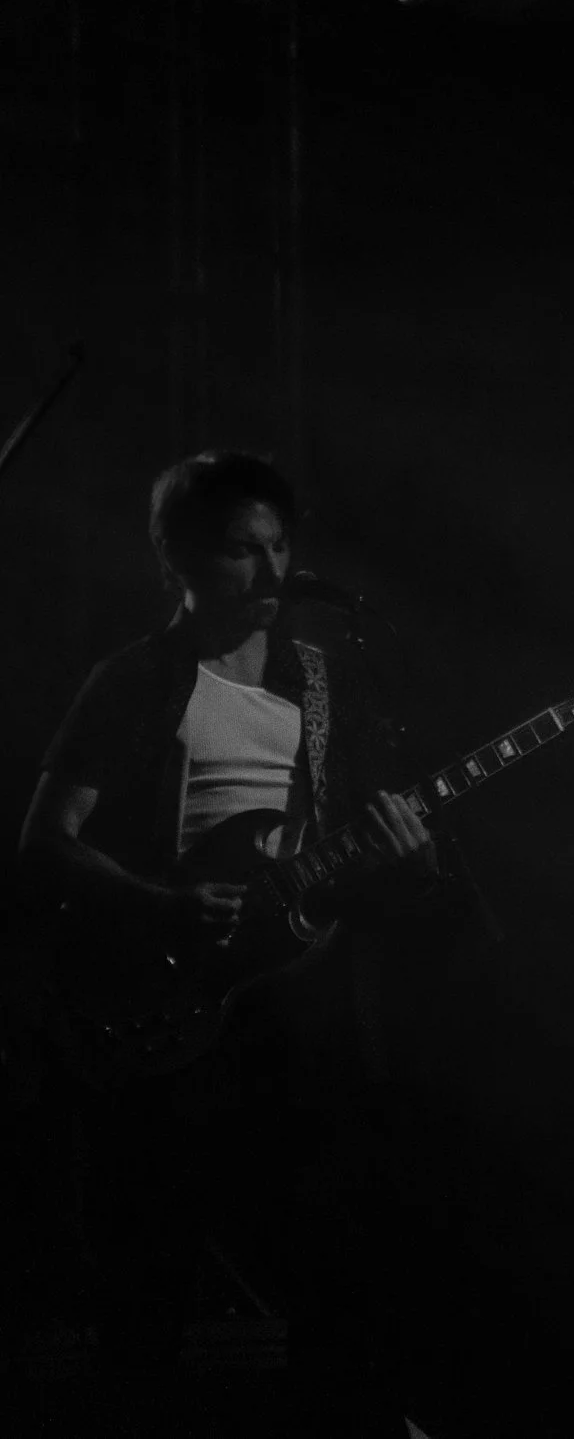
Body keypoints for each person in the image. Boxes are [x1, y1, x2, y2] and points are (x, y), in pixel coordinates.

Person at [12, 449, 461, 1429]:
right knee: (152, 1277)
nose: (268, 573)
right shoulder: (135, 679)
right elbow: (43, 845)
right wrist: (158, 905)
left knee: (321, 1247)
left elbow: (374, 865)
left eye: (278, 546)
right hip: (157, 1005)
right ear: (176, 558)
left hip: (288, 1006)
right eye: (238, 552)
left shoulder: (325, 681)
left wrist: (407, 856)